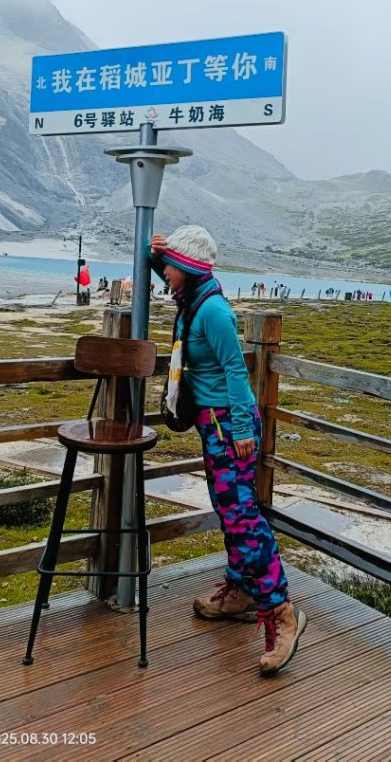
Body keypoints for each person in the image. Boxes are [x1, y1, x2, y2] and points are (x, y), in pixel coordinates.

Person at [150, 225, 307, 677]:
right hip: (213, 424)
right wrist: (154, 251)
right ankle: (240, 592)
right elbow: (161, 269)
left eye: (172, 266)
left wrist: (241, 428)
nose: (166, 273)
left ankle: (282, 613)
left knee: (243, 519)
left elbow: (236, 370)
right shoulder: (191, 297)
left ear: (188, 268)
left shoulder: (213, 311)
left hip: (229, 427)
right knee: (229, 510)